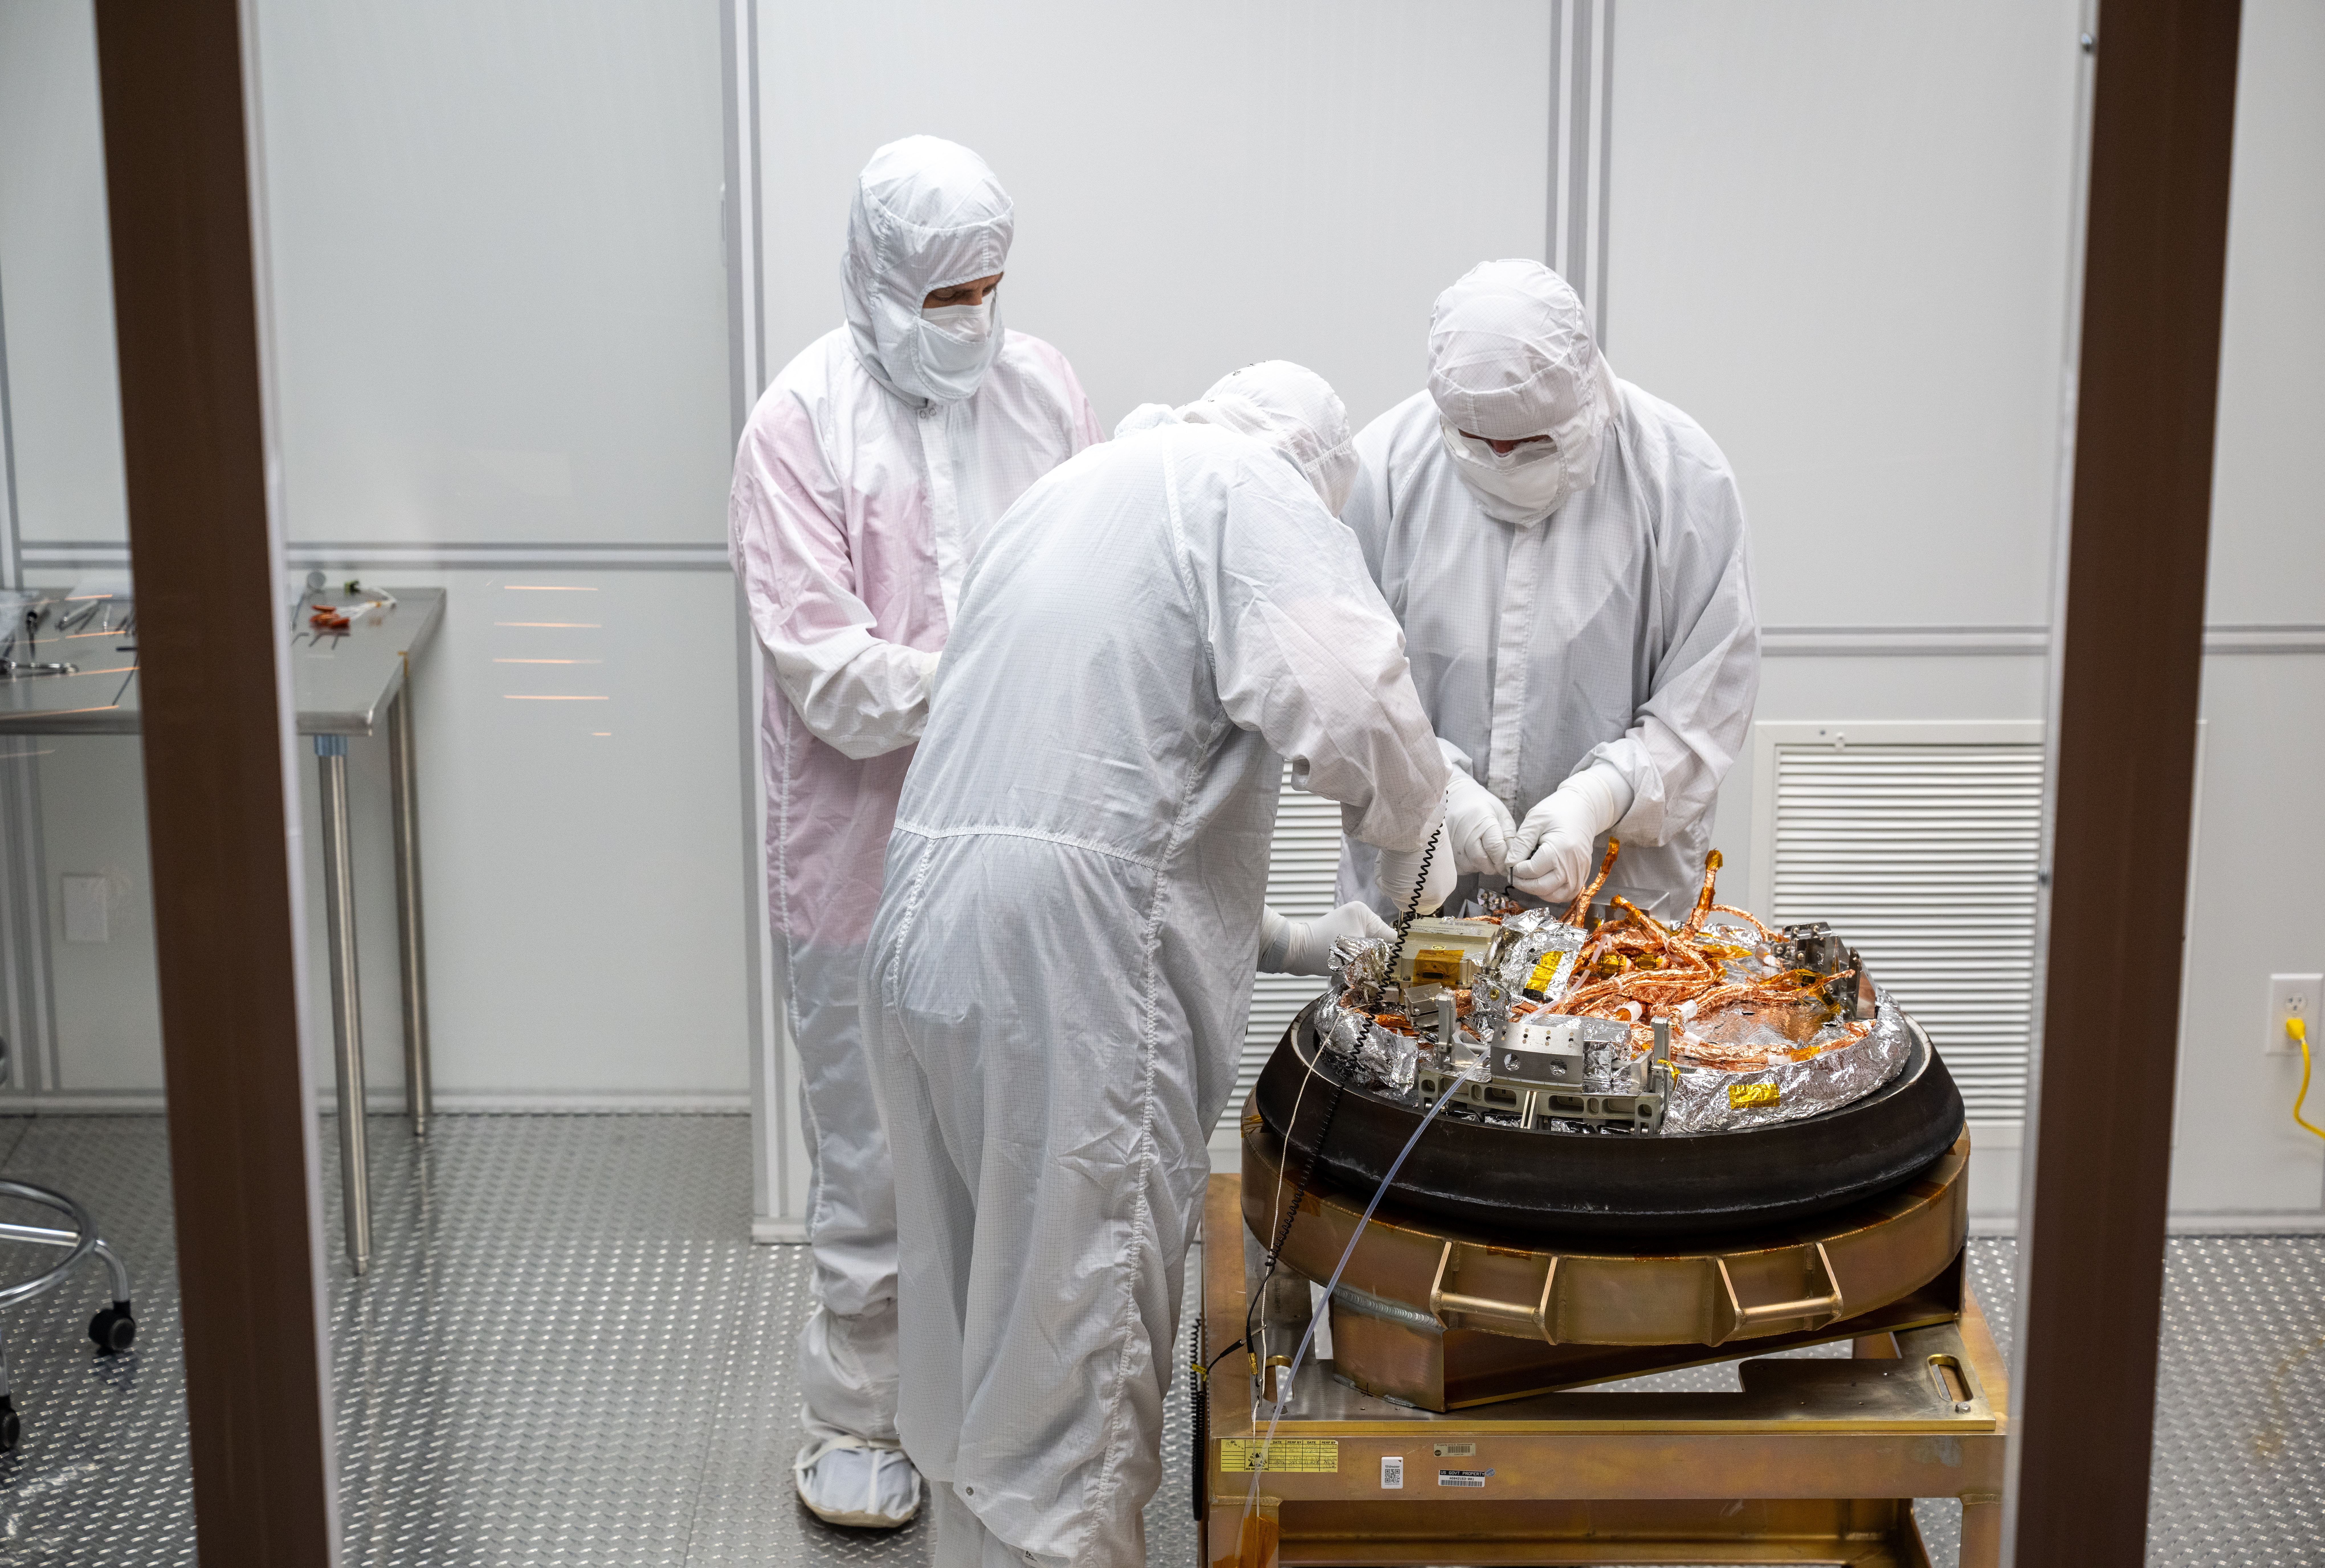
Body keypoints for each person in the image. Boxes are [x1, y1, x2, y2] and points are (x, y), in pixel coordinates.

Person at [860, 363, 1452, 1568]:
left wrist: (1293, 937)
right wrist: (1420, 865)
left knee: (981, 1323)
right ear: (1314, 475)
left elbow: (1111, 794)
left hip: (928, 920)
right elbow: (1359, 709)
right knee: (1075, 1355)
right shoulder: (1252, 491)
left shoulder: (1076, 488)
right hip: (1060, 973)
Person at [729, 134, 1102, 1530]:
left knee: (1019, 1148)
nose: (974, 320)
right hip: (859, 862)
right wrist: (992, 681)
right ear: (876, 280)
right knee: (876, 1161)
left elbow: (1095, 581)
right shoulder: (797, 424)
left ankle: (1005, 1425)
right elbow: (824, 671)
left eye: (987, 290)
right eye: (945, 295)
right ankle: (855, 1420)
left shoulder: (1048, 392)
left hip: (1022, 851)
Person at [1337, 259, 1759, 920]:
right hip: (1423, 904)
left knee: (1612, 1019)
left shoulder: (1684, 478)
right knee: (1406, 1022)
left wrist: (1598, 797)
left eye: (1529, 443)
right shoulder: (1385, 468)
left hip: (1616, 908)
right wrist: (1434, 787)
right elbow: (1349, 687)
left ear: (1584, 390)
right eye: (1481, 443)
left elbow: (1707, 699)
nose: (1503, 460)